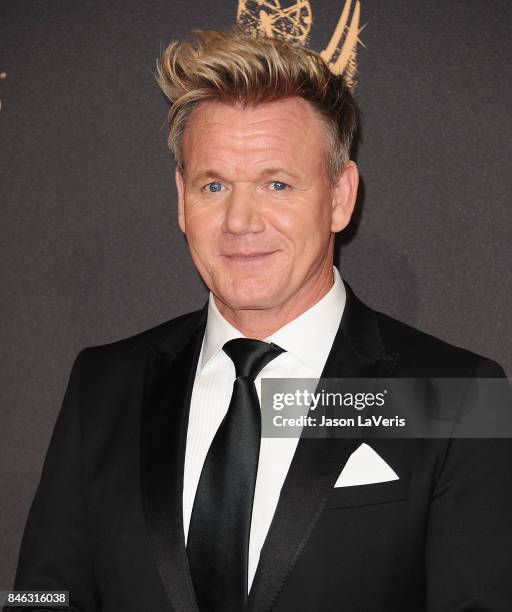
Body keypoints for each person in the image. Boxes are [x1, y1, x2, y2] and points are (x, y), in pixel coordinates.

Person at [11, 25, 512, 612]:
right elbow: (40, 596)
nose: (240, 220)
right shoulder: (103, 384)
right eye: (214, 184)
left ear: (339, 196)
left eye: (277, 184)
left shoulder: (455, 393)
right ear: (181, 199)